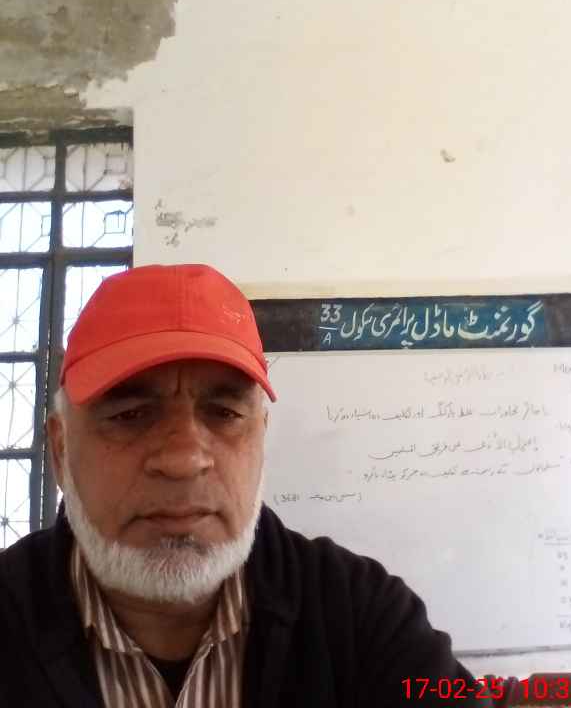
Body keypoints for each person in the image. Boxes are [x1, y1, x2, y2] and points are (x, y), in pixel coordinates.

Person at [0, 264, 490, 707]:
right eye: (129, 415)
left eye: (225, 413)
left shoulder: (362, 617)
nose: (185, 460)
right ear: (60, 450)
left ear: (261, 437)